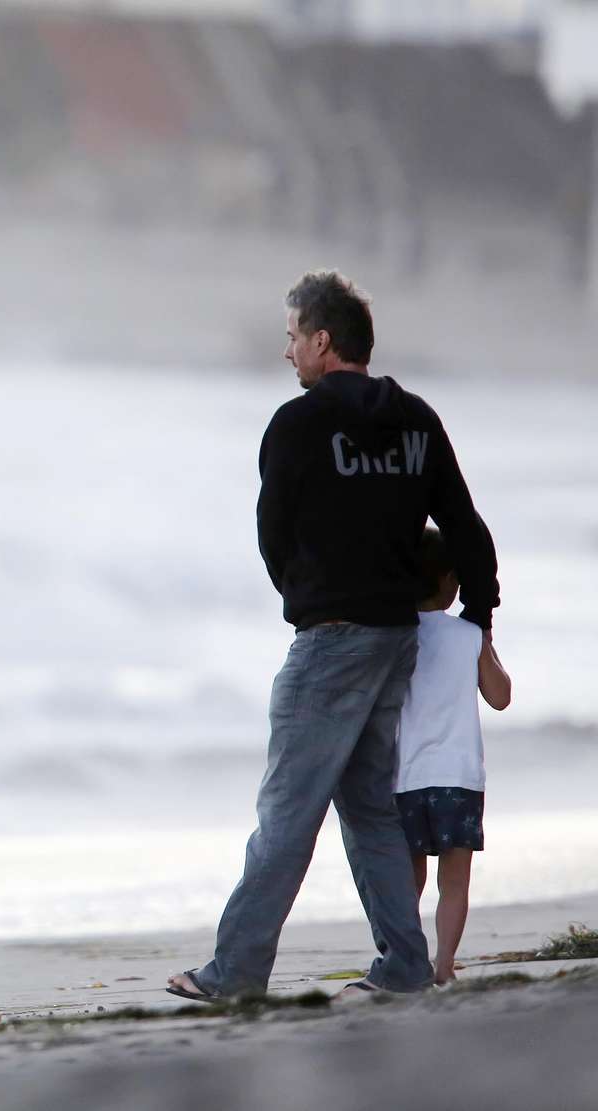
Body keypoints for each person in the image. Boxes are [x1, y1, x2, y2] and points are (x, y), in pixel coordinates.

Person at [166, 270, 500, 1001]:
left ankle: (236, 970)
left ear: (322, 340)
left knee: (287, 810)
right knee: (372, 806)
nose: (288, 353)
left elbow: (272, 532)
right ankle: (407, 966)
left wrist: (308, 599)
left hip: (335, 636)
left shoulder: (299, 423)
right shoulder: (416, 419)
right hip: (394, 639)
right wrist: (479, 616)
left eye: (292, 337)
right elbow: (467, 528)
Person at [395, 526, 511, 985]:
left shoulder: (394, 636)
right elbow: (499, 696)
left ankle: (404, 960)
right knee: (454, 882)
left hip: (403, 777)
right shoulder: (466, 635)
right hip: (458, 776)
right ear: (448, 580)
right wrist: (484, 637)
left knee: (408, 882)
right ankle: (443, 965)